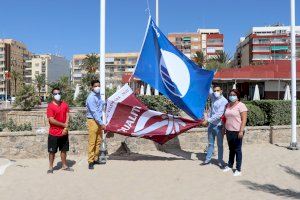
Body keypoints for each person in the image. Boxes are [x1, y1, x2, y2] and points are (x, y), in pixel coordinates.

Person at [46, 87, 73, 174]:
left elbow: (67, 115)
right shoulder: (50, 106)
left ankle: (64, 165)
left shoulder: (65, 104)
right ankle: (50, 167)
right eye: (55, 94)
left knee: (64, 150)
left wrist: (65, 128)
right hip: (53, 133)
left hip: (64, 133)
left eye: (59, 93)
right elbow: (51, 120)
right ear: (52, 95)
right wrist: (63, 125)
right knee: (52, 151)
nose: (57, 95)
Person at [201, 85, 228, 167]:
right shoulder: (213, 96)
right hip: (211, 125)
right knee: (210, 144)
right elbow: (208, 88)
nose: (216, 92)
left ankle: (220, 161)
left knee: (220, 145)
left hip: (219, 126)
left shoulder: (224, 101)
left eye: (218, 90)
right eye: (215, 90)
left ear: (221, 91)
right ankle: (207, 160)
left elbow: (219, 114)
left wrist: (207, 120)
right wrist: (207, 77)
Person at [223, 89, 248, 176]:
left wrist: (241, 131)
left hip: (237, 131)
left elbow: (244, 119)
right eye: (230, 94)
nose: (232, 96)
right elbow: (225, 118)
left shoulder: (241, 105)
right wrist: (224, 129)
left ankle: (238, 169)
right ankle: (230, 165)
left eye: (234, 94)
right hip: (229, 130)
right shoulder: (228, 105)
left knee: (237, 150)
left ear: (237, 96)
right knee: (231, 149)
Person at [86, 80, 106, 170]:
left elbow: (101, 104)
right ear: (92, 87)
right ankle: (90, 161)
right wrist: (101, 123)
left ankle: (95, 158)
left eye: (98, 86)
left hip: (98, 120)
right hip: (93, 121)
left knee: (98, 141)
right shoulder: (91, 97)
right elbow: (94, 112)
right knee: (92, 142)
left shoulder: (98, 96)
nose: (97, 87)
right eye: (95, 86)